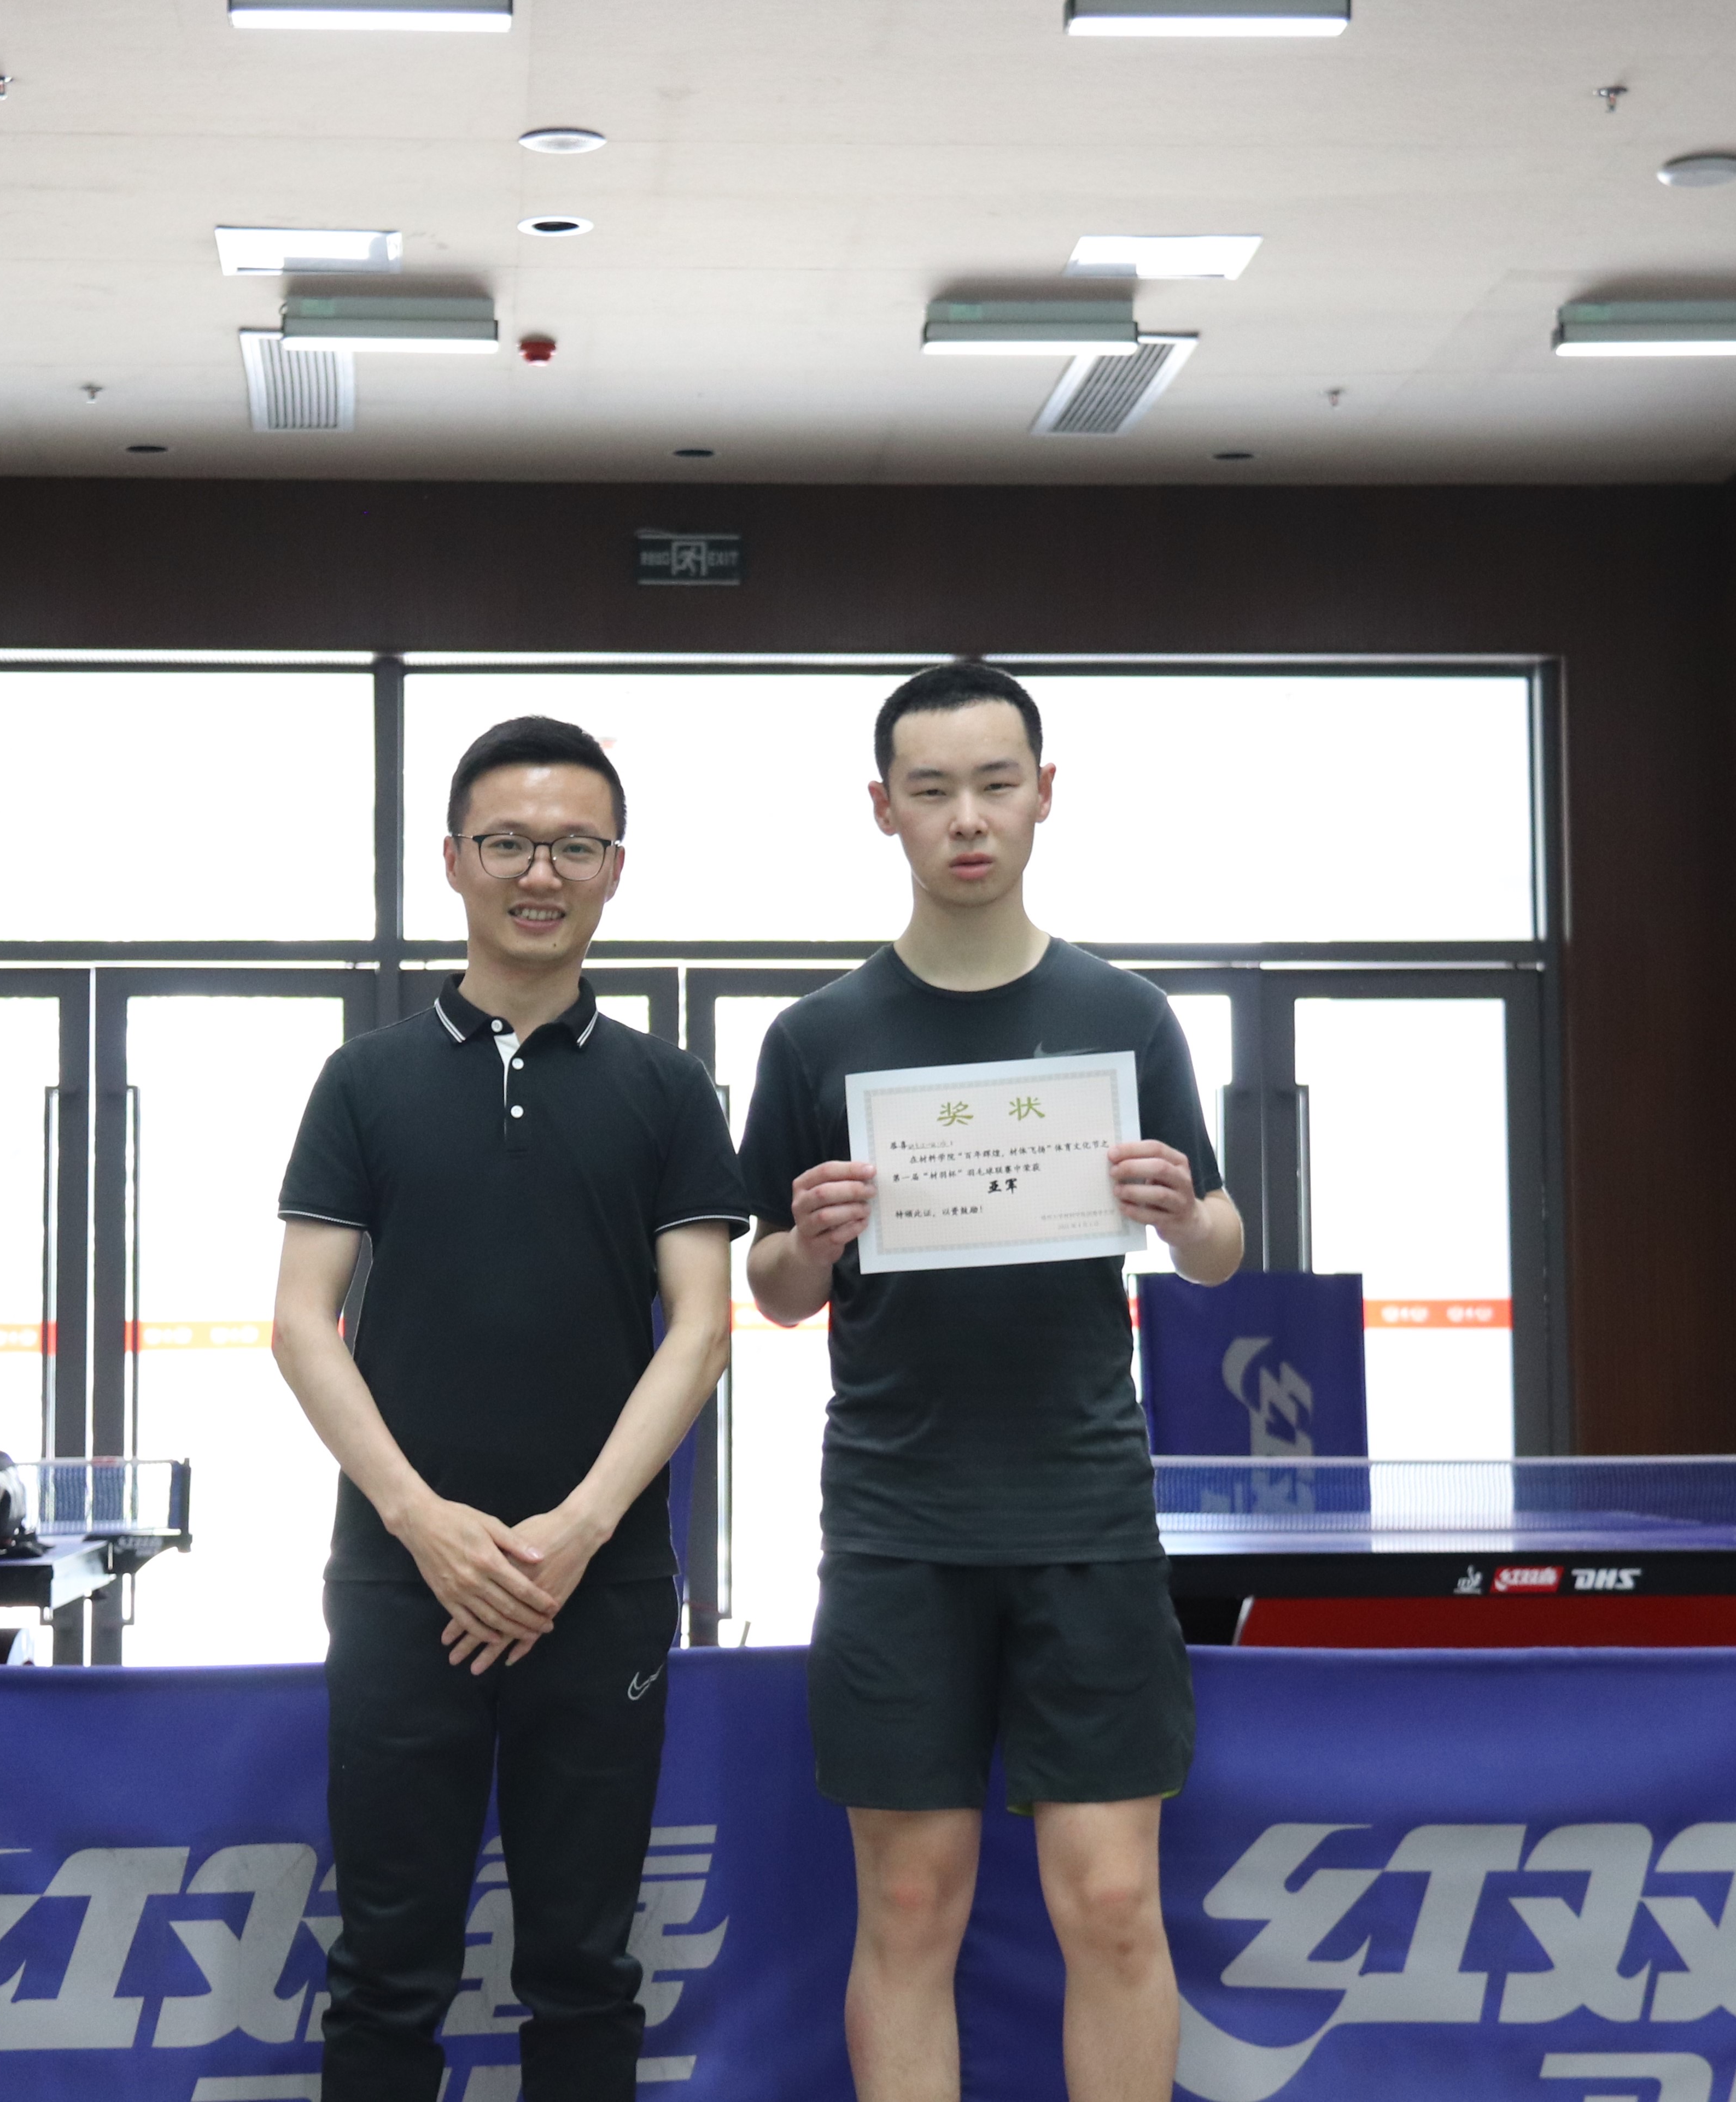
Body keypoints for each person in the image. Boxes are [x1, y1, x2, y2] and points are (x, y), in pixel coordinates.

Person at [738, 661, 1244, 2102]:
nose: (967, 817)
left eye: (995, 783)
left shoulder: (1125, 1013)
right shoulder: (817, 1035)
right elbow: (769, 1286)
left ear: (1043, 794)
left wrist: (1180, 1210)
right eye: (933, 789)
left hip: (1085, 1507)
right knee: (908, 1903)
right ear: (883, 807)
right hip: (896, 1517)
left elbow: (1218, 1247)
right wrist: (809, 1239)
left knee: (1112, 1900)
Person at [271, 715, 750, 2102]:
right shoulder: (363, 1081)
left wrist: (575, 1533)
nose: (540, 873)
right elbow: (301, 1322)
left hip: (600, 1587)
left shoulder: (667, 1090)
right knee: (385, 1968)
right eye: (509, 844)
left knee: (585, 1971)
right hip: (397, 1580)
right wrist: (422, 1523)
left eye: (574, 847)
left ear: (614, 870)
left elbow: (702, 1329)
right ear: (453, 861)